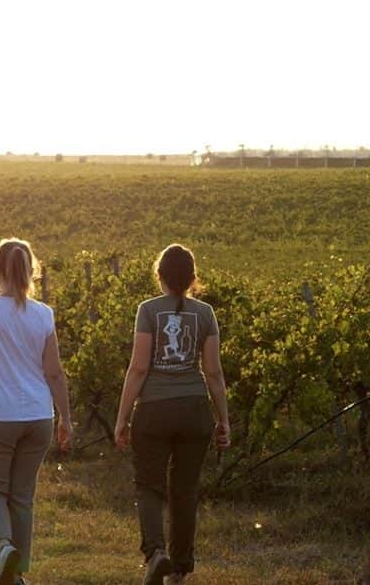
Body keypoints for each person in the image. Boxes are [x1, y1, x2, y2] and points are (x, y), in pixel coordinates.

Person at [114, 244, 230, 585]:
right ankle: (179, 569)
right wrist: (223, 419)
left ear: (159, 275)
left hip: (153, 410)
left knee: (149, 485)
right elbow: (213, 373)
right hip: (195, 410)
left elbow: (137, 368)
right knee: (185, 490)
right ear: (193, 279)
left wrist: (122, 417)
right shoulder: (206, 314)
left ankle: (155, 553)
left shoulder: (147, 310)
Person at [0, 238, 73, 585]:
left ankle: (4, 547)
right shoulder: (44, 314)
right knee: (22, 497)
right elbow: (54, 372)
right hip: (38, 416)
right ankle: (17, 575)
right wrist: (66, 417)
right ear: (30, 272)